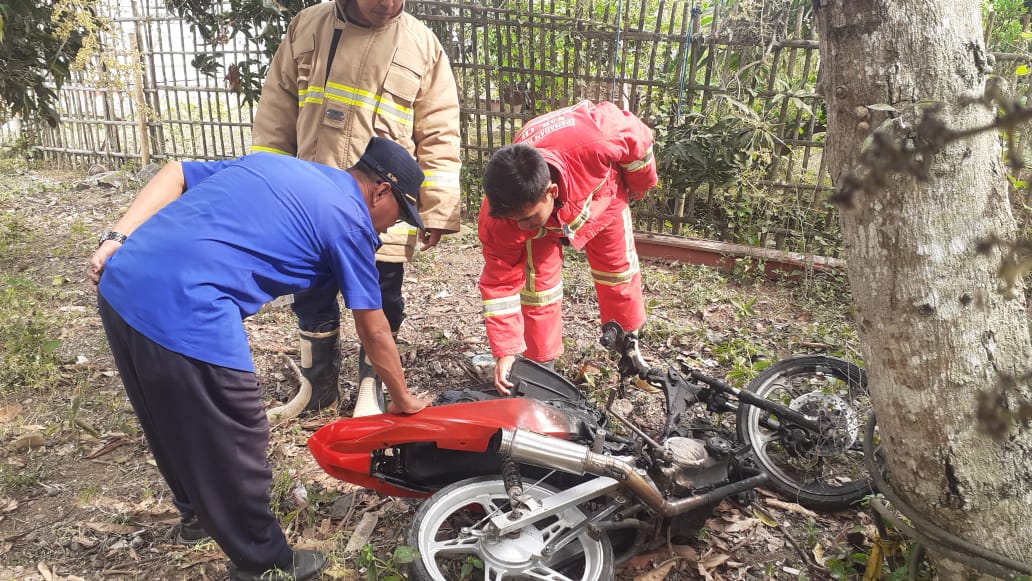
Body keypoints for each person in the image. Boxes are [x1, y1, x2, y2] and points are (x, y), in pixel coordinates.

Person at [86, 137, 430, 581]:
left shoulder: (280, 168)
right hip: (187, 303)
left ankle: (196, 517)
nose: (388, 229)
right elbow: (374, 328)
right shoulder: (350, 221)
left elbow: (175, 171)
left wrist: (117, 236)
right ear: (381, 190)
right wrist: (401, 399)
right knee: (238, 430)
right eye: (397, 216)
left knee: (166, 411)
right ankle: (264, 562)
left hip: (123, 279)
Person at [251, 0, 462, 415]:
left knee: (382, 297)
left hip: (384, 208)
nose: (389, 3)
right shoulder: (306, 27)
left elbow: (439, 132)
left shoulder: (422, 45)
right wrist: (268, 190)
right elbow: (276, 113)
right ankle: (318, 391)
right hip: (310, 206)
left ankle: (373, 390)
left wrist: (435, 209)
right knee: (311, 294)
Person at [478, 100, 658, 395]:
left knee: (619, 276)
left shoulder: (598, 136)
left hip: (601, 202)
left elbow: (638, 141)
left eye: (525, 218)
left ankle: (631, 357)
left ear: (551, 191)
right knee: (538, 293)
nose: (521, 227)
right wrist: (506, 350)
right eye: (514, 221)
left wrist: (639, 186)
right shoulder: (502, 216)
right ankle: (541, 370)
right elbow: (500, 283)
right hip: (547, 223)